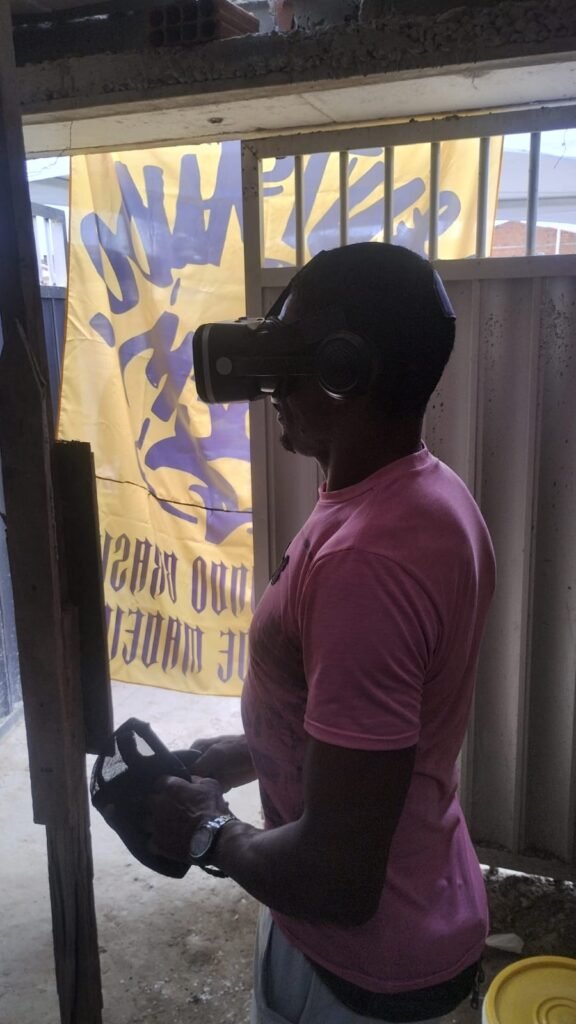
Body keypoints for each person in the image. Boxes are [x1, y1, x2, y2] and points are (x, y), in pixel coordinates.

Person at [148, 242, 496, 1023]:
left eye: (285, 355)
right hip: (404, 914)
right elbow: (369, 731)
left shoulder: (368, 561)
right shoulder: (423, 494)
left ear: (344, 371)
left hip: (365, 971)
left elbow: (337, 877)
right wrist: (246, 753)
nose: (268, 384)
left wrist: (209, 831)